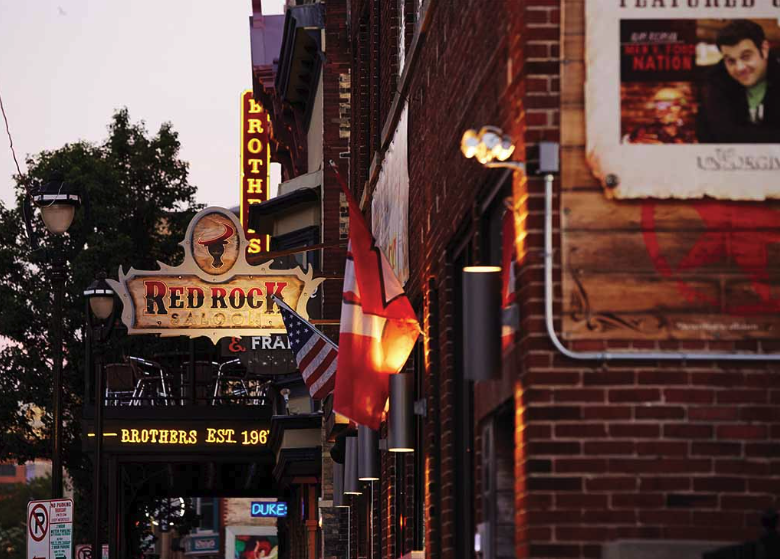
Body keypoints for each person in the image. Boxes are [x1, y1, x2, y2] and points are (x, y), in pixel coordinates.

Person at [697, 19, 780, 143]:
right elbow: (718, 135)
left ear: (764, 49)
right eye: (731, 61)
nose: (739, 68)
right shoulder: (715, 82)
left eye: (746, 57)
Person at [624, 87, 696, 144]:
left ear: (681, 109)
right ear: (656, 109)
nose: (668, 109)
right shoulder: (643, 133)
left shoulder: (688, 134)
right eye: (662, 104)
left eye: (675, 104)